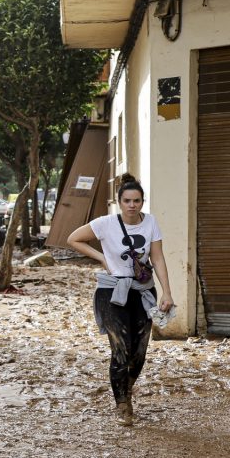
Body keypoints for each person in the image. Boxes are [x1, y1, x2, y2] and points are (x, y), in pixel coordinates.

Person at [67, 174, 174, 426]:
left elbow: (157, 258)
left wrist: (167, 292)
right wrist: (102, 258)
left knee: (139, 352)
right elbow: (73, 239)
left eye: (137, 200)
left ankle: (126, 388)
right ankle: (123, 404)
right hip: (113, 293)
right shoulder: (105, 223)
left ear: (142, 202)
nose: (132, 205)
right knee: (121, 348)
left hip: (143, 291)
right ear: (119, 202)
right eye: (127, 200)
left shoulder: (151, 223)